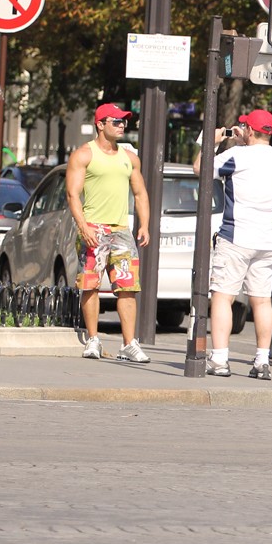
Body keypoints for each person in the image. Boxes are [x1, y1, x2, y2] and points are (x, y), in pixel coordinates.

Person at [197, 109, 272, 380]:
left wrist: (211, 142)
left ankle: (220, 358)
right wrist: (242, 141)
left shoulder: (237, 155)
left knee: (223, 296)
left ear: (248, 130)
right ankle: (262, 360)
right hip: (268, 240)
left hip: (236, 236)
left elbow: (200, 169)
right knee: (261, 301)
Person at [67, 104, 153, 362]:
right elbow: (73, 194)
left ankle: (129, 344)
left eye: (124, 121)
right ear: (100, 124)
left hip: (121, 231)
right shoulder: (84, 154)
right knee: (91, 286)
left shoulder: (129, 157)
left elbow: (140, 193)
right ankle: (93, 339)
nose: (122, 125)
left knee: (128, 288)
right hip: (94, 227)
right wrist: (83, 227)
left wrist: (144, 224)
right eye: (115, 121)